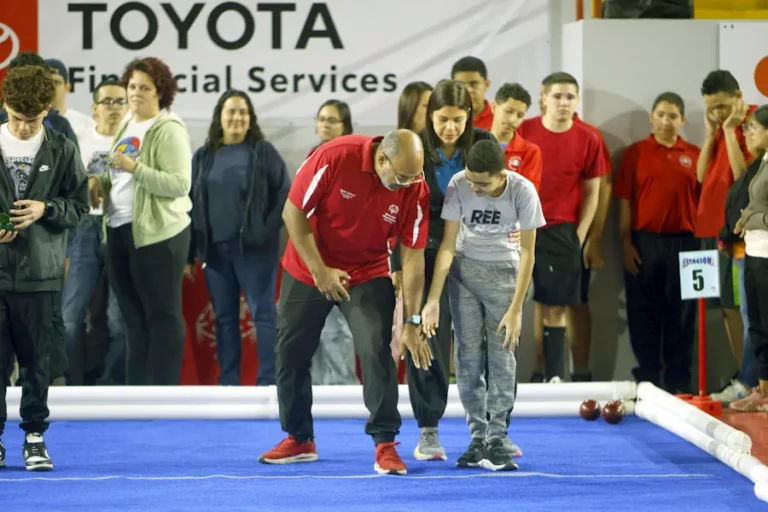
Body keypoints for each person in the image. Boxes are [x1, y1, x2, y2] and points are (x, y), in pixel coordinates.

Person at [259, 130, 433, 476]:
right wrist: (320, 272)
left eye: (414, 177)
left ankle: (385, 444)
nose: (408, 184)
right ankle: (300, 438)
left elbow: (413, 257)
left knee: (376, 348)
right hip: (310, 264)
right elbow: (293, 212)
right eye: (402, 177)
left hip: (368, 270)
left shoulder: (415, 186)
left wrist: (412, 321)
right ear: (382, 159)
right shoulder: (335, 156)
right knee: (290, 352)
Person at [390, 79, 500, 462]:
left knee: (480, 345)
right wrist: (397, 265)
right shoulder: (416, 147)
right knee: (425, 338)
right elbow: (398, 209)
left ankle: (490, 432)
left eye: (457, 119)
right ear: (429, 116)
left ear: (469, 116)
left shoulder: (484, 143)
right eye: (442, 120)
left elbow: (500, 196)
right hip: (423, 256)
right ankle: (428, 431)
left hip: (477, 255)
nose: (450, 128)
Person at [422, 140, 544, 471]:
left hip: (505, 276)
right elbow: (448, 245)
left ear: (502, 175)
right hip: (463, 274)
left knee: (502, 356)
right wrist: (433, 299)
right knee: (468, 358)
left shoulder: (523, 190)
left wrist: (516, 309)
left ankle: (497, 436)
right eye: (471, 181)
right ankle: (477, 438)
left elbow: (528, 253)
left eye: (483, 184)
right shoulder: (458, 183)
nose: (474, 188)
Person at [0, 65, 89, 470]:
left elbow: (81, 207)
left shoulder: (62, 148)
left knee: (38, 364)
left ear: (47, 112)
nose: (23, 128)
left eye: (32, 120)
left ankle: (34, 437)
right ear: (5, 105)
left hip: (41, 275)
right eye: (16, 118)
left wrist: (46, 209)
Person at [89, 57, 192, 386]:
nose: (135, 93)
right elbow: (116, 173)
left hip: (158, 235)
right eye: (132, 86)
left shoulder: (169, 128)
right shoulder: (127, 124)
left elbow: (179, 185)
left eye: (144, 88)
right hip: (118, 229)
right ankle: (137, 392)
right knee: (133, 319)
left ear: (160, 92)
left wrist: (137, 169)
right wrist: (99, 182)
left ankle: (163, 391)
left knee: (162, 316)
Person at [188, 90, 290, 386]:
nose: (237, 117)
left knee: (263, 315)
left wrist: (265, 232)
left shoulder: (263, 152)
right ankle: (229, 382)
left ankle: (269, 381)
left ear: (250, 118)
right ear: (219, 117)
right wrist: (191, 252)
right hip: (214, 253)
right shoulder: (203, 156)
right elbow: (190, 203)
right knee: (224, 318)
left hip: (256, 252)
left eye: (243, 112)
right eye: (231, 111)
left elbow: (284, 195)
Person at [516, 72, 606, 383]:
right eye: (557, 96)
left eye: (570, 97)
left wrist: (579, 236)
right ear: (544, 97)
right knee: (505, 304)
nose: (564, 102)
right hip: (520, 229)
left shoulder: (588, 138)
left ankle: (554, 378)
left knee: (555, 307)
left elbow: (593, 192)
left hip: (561, 231)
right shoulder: (523, 131)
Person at [614, 92, 701, 393]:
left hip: (687, 243)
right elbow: (624, 200)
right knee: (643, 312)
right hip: (644, 242)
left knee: (683, 314)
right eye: (661, 115)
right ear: (652, 118)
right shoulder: (635, 153)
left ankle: (679, 381)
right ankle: (648, 380)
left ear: (682, 120)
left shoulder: (695, 154)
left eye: (673, 116)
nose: (666, 121)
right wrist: (625, 243)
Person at [61, 78, 129, 385]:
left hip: (121, 228)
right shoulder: (79, 140)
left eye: (119, 101)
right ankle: (67, 383)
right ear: (94, 108)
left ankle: (110, 385)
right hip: (85, 229)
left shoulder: (137, 140)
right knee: (70, 316)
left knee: (118, 319)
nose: (114, 108)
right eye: (107, 102)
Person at [697, 70, 757, 400]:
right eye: (711, 107)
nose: (718, 113)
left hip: (739, 233)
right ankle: (741, 376)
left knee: (742, 306)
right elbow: (701, 176)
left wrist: (732, 132)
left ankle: (747, 381)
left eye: (722, 105)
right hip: (713, 230)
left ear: (738, 97)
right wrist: (711, 134)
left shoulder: (753, 125)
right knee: (726, 306)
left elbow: (743, 177)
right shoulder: (720, 127)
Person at [730, 104, 768, 412]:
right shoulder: (762, 162)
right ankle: (763, 389)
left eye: (753, 127)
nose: (748, 133)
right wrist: (745, 218)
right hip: (754, 251)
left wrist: (752, 219)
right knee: (757, 325)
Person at [490, 82, 542, 191]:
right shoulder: (473, 142)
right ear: (494, 107)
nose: (512, 120)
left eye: (520, 115)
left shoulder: (530, 152)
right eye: (508, 111)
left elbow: (527, 195)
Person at [451, 56, 493, 130]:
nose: (468, 90)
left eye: (474, 83)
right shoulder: (443, 121)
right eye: (460, 85)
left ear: (486, 84)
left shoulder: (500, 120)